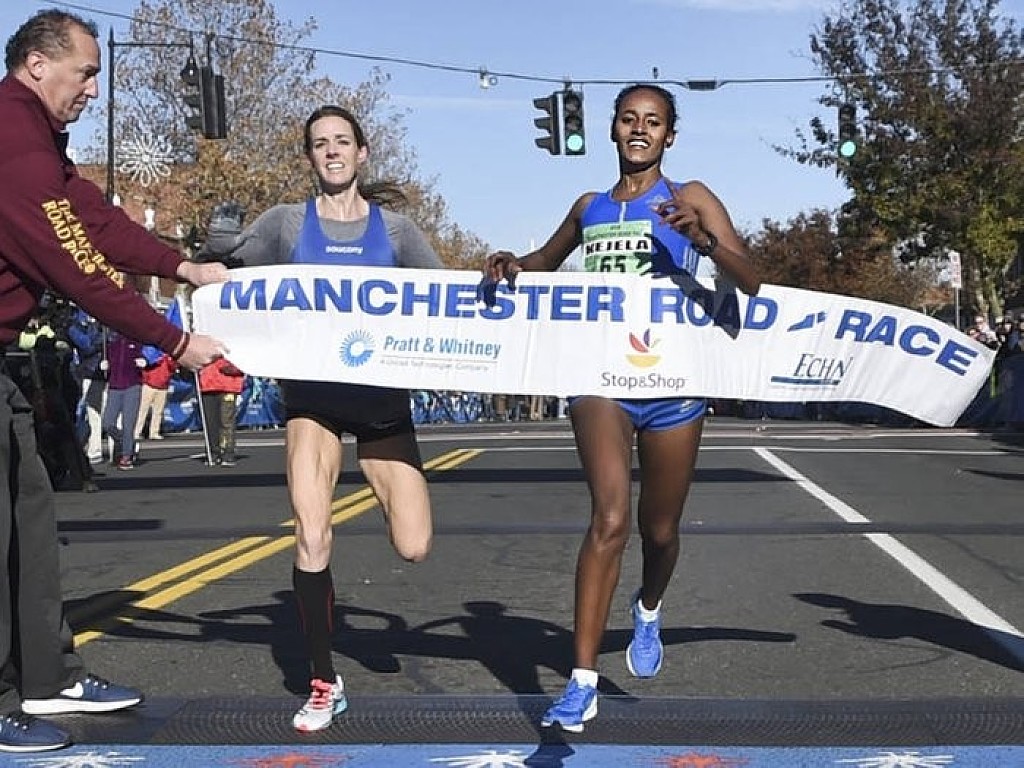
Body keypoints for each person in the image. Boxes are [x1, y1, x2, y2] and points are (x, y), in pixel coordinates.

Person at [483, 84, 762, 733]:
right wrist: (511, 265)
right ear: (612, 129)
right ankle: (581, 682)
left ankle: (649, 606)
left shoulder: (691, 197)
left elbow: (750, 279)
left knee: (659, 529)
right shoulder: (590, 207)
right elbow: (544, 262)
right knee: (609, 518)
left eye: (653, 122)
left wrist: (703, 240)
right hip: (598, 376)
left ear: (669, 136)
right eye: (630, 119)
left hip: (673, 381)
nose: (640, 130)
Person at [0, 9, 228, 752]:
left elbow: (97, 220)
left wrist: (182, 265)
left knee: (30, 522)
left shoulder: (40, 143)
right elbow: (79, 267)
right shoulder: (14, 143)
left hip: (4, 365)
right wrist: (174, 340)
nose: (94, 89)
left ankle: (47, 676)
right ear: (38, 65)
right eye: (86, 72)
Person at [199, 104, 444, 732]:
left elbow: (449, 299)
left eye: (341, 141)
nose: (331, 151)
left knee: (414, 546)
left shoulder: (398, 232)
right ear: (309, 157)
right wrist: (212, 246)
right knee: (311, 535)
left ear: (362, 153)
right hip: (311, 402)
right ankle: (322, 680)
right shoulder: (284, 224)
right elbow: (220, 274)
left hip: (381, 404)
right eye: (319, 144)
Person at [66, 308, 107, 463]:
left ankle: (117, 448)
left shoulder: (104, 323)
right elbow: (86, 345)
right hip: (89, 373)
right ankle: (94, 449)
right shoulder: (75, 324)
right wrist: (97, 332)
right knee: (92, 414)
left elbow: (112, 339)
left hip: (108, 373)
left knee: (110, 413)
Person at [100, 330, 145, 469]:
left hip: (132, 385)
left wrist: (145, 361)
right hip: (114, 386)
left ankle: (126, 456)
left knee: (128, 424)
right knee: (107, 423)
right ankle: (127, 443)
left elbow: (151, 353)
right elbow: (103, 357)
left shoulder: (137, 339)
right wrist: (104, 365)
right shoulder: (111, 341)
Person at [197, 357, 245, 466]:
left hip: (228, 386)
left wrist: (221, 363)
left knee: (226, 421)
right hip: (208, 385)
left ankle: (228, 452)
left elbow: (242, 363)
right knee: (210, 422)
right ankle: (213, 453)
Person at [134, 351, 176, 442]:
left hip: (163, 387)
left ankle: (154, 432)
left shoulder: (170, 356)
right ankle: (136, 432)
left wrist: (169, 360)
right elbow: (146, 364)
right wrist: (146, 378)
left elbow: (173, 368)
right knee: (142, 410)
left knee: (158, 411)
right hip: (149, 385)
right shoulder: (153, 352)